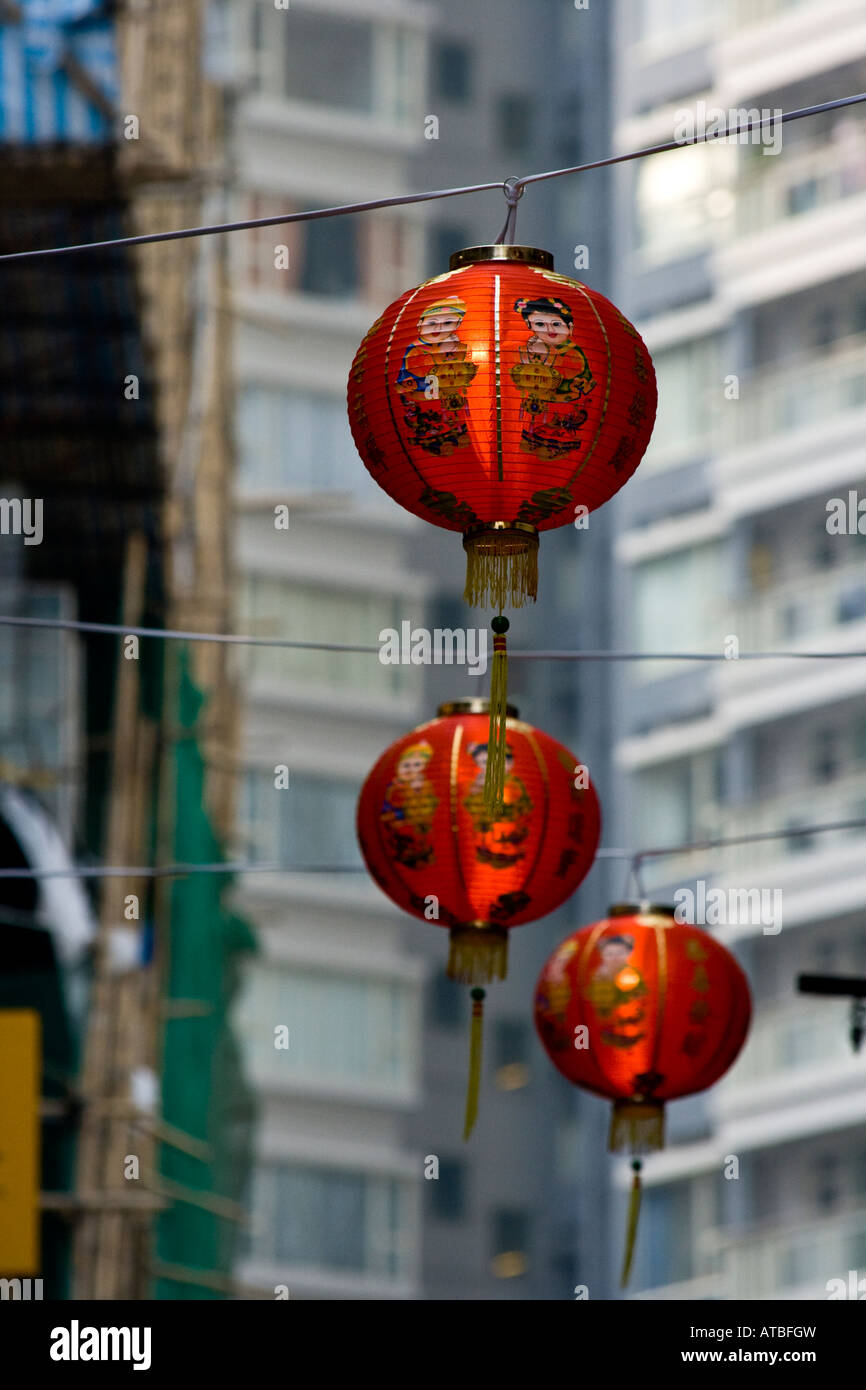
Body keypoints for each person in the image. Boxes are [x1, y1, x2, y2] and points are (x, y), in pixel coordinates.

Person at [510, 296, 595, 459]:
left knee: (558, 426)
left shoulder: (571, 353)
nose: (549, 329)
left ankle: (556, 448)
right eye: (540, 324)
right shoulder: (532, 348)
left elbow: (574, 376)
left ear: (569, 327)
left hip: (564, 397)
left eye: (556, 324)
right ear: (530, 326)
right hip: (541, 399)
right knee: (538, 424)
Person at [395, 296, 477, 455]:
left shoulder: (452, 347)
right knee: (430, 419)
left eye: (447, 323)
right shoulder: (416, 349)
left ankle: (456, 435)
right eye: (432, 323)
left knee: (452, 414)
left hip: (444, 393)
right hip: (422, 392)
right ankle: (435, 443)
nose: (438, 328)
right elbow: (420, 369)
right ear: (420, 325)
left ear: (457, 325)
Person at [463, 741, 532, 868]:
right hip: (485, 823)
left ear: (510, 764)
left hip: (506, 821)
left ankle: (505, 857)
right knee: (485, 841)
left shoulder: (513, 782)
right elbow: (469, 805)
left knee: (504, 842)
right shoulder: (477, 783)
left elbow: (513, 799)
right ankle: (487, 854)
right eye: (484, 763)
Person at [380, 741, 438, 868]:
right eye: (406, 765)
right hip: (400, 821)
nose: (410, 769)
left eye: (416, 765)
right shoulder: (394, 786)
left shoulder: (425, 785)